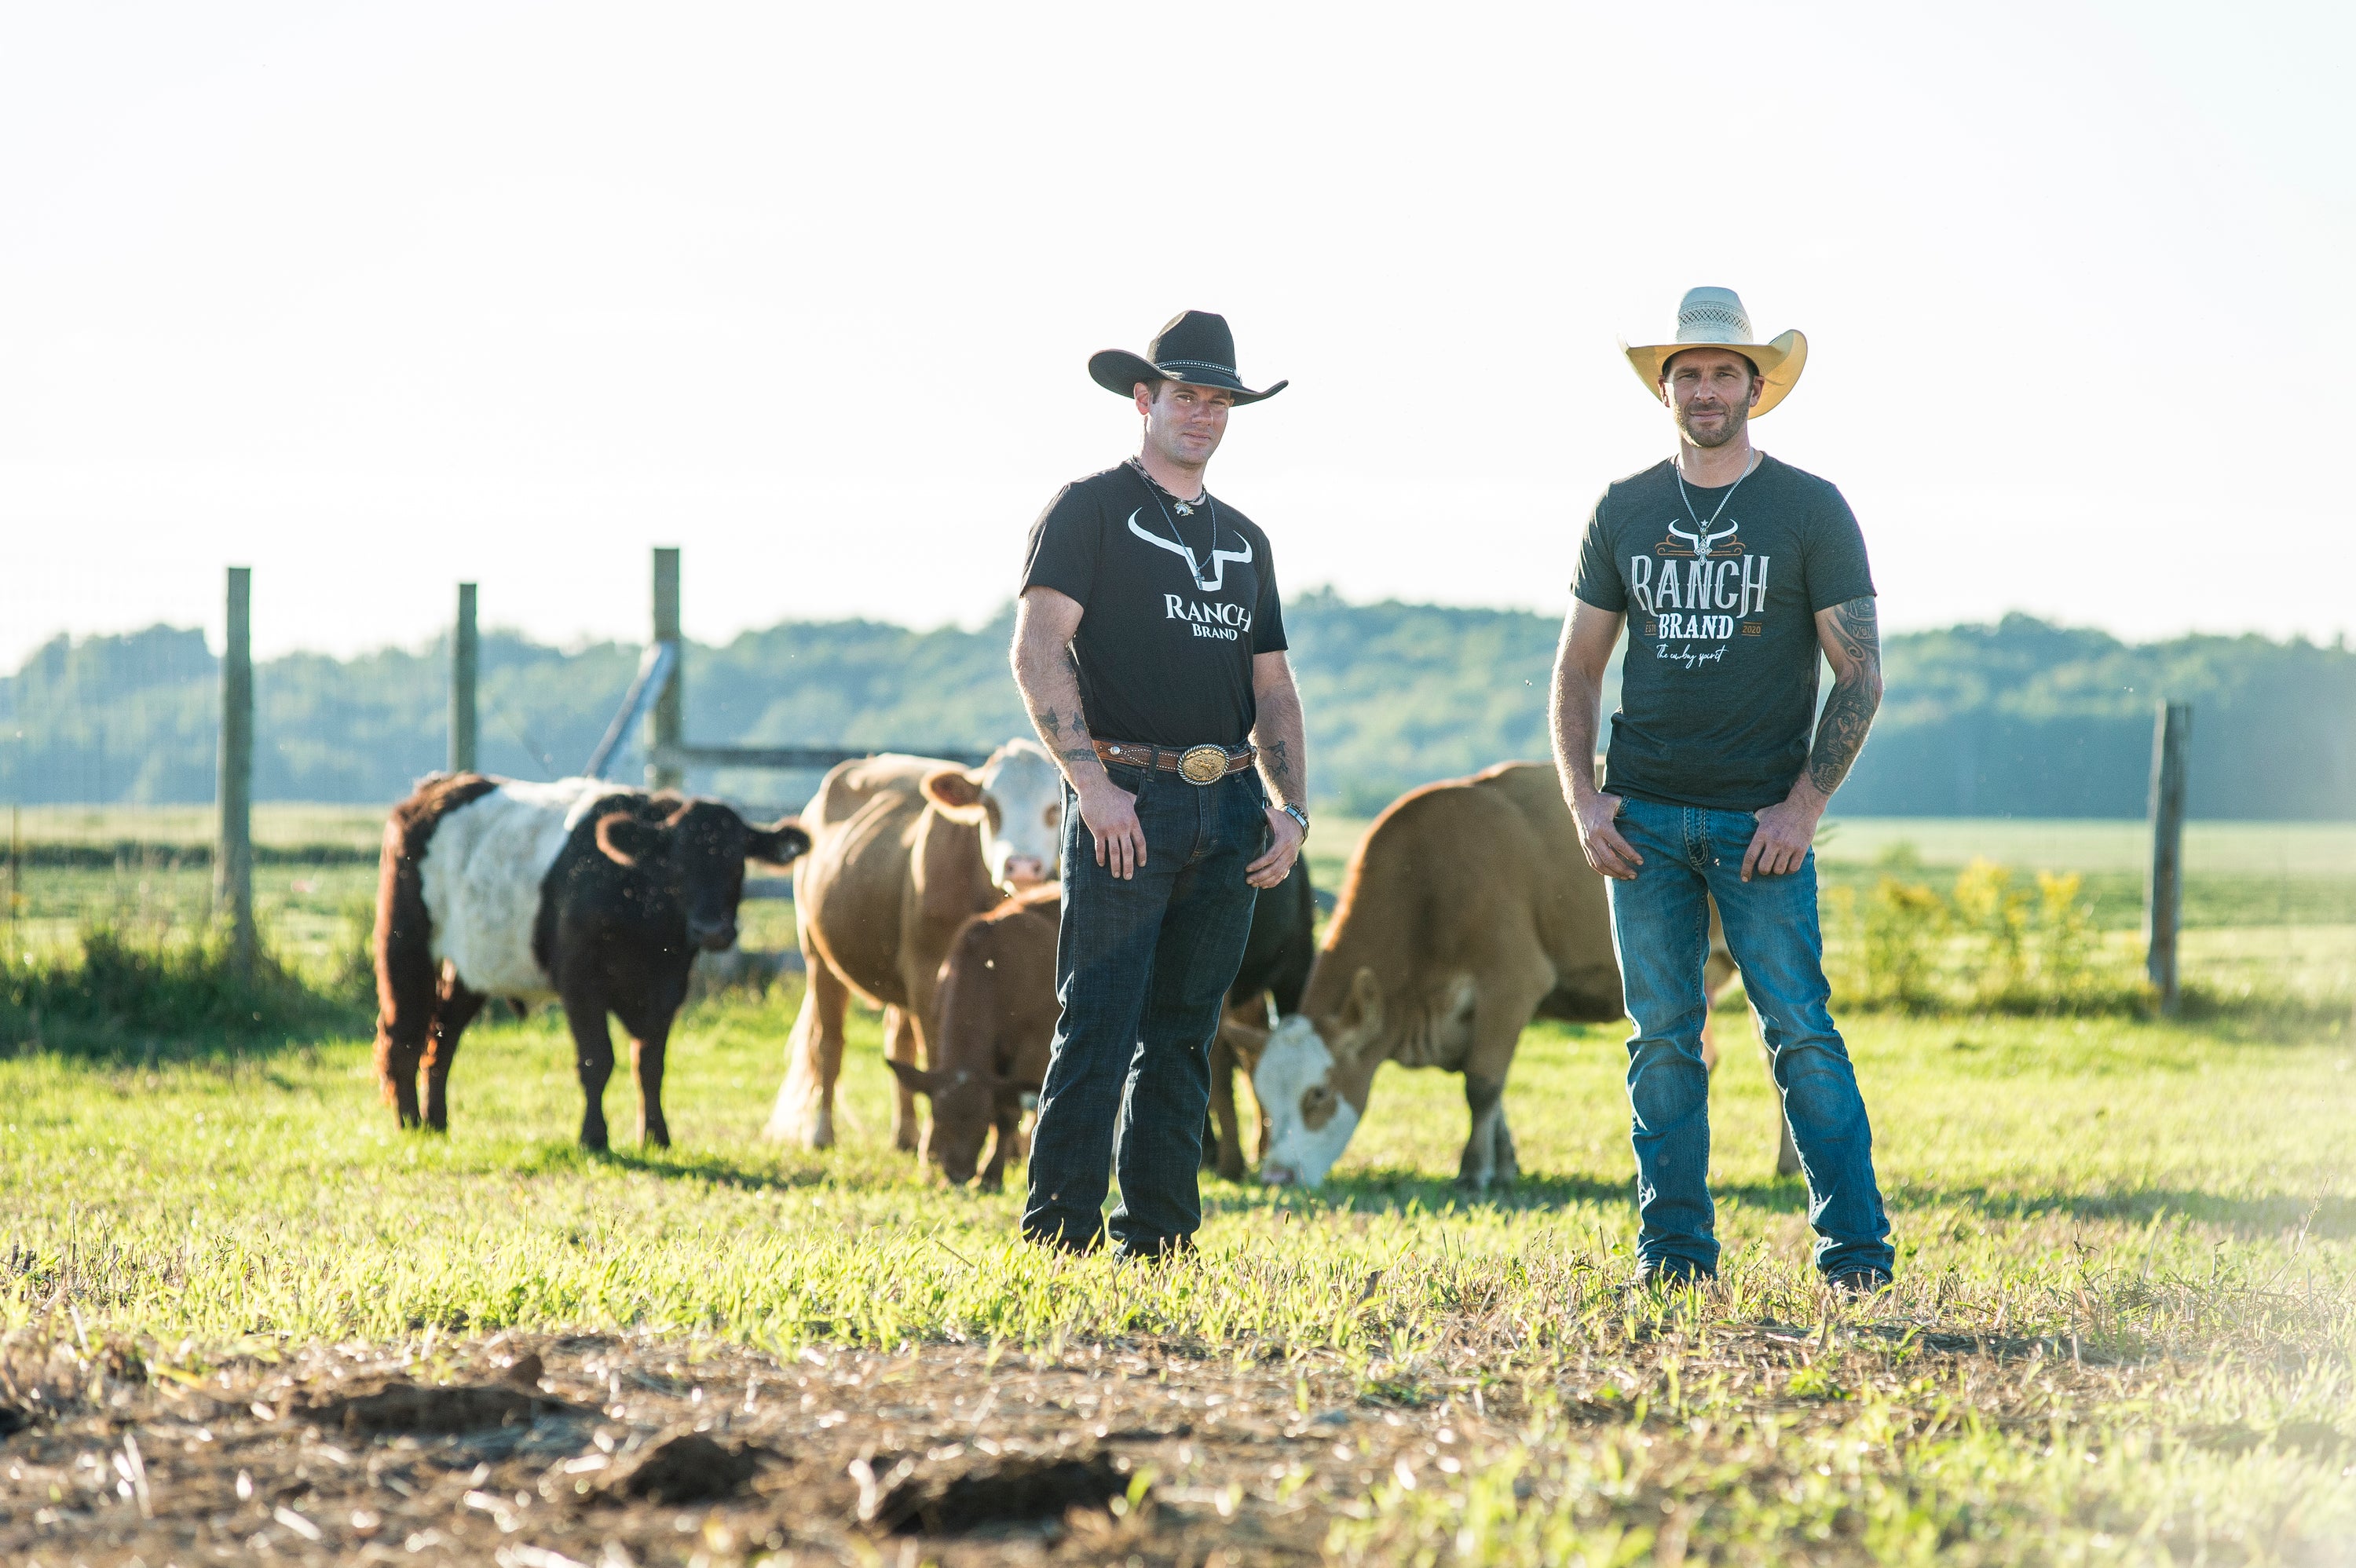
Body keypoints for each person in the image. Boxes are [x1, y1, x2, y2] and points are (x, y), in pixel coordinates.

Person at [1549, 286, 1896, 1295]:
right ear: (1667, 388)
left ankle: (1856, 1256)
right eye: (1689, 373)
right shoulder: (1623, 507)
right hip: (1642, 818)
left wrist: (1804, 806)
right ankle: (1675, 1260)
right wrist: (1585, 800)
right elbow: (1576, 669)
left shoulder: (1810, 507)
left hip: (1761, 826)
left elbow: (1861, 671)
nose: (1706, 388)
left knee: (1798, 1029)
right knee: (1663, 1039)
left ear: (1756, 385)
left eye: (1724, 372)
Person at [1010, 310, 1310, 1259]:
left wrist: (1291, 808)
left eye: (1218, 399)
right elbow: (1037, 647)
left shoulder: (1246, 540)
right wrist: (1090, 786)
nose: (1203, 414)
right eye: (1185, 394)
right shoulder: (1088, 508)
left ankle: (1160, 1242)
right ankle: (1059, 1238)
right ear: (1145, 399)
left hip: (1225, 804)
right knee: (1097, 1022)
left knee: (1186, 1034)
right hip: (1123, 800)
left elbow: (1273, 686)